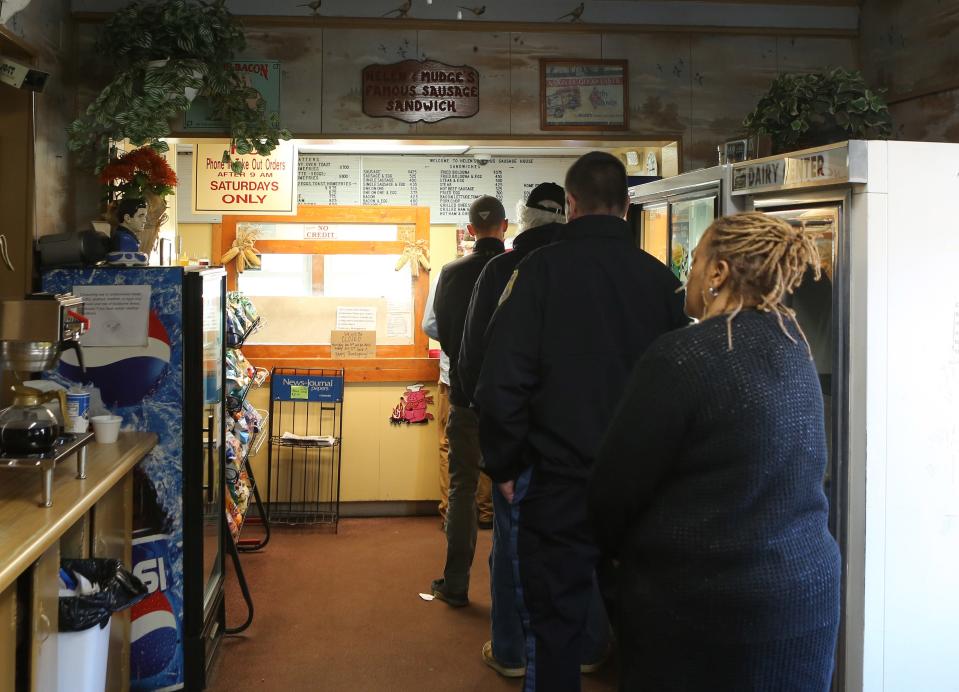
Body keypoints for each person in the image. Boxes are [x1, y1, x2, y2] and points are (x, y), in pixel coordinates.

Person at [589, 212, 841, 691]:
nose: (689, 274)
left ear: (719, 273)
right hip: (803, 595)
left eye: (698, 261)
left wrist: (621, 561)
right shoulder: (796, 344)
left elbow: (612, 493)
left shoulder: (681, 356)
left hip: (700, 607)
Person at [474, 152, 687, 692]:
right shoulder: (662, 283)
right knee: (645, 633)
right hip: (642, 490)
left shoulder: (537, 273)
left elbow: (501, 381)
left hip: (555, 482)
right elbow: (685, 385)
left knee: (554, 631)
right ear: (628, 203)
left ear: (569, 204)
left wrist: (503, 464)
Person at [458, 182, 610, 679]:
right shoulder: (593, 269)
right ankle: (589, 647)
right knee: (586, 542)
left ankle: (511, 652)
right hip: (589, 437)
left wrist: (500, 451)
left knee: (513, 545)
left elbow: (475, 366)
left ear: (520, 221)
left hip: (521, 442)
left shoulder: (503, 269)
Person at [429, 195, 507, 606]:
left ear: (470, 230)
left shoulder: (451, 272)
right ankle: (512, 595)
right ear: (505, 227)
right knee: (511, 489)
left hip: (462, 396)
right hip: (510, 403)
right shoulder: (518, 269)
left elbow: (438, 328)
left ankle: (456, 582)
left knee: (461, 488)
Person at [421, 280, 493, 530]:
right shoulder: (498, 270)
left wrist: (455, 339)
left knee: (448, 444)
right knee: (488, 440)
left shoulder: (449, 275)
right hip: (488, 373)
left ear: (471, 237)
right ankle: (486, 512)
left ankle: (451, 511)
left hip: (451, 374)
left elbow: (429, 324)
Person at [108, 197, 148, 266]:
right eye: (140, 216)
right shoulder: (125, 239)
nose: (144, 220)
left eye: (145, 216)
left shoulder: (123, 236)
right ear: (127, 218)